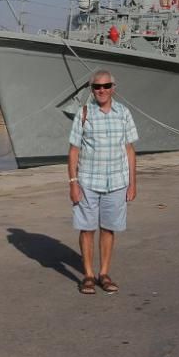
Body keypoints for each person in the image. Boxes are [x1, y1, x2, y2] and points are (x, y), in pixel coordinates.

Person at [67, 69, 138, 295]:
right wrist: (73, 183)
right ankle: (88, 275)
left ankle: (104, 273)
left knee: (109, 228)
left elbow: (130, 150)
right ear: (92, 89)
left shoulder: (124, 113)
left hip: (117, 181)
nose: (102, 90)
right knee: (87, 229)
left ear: (113, 88)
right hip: (88, 181)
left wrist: (133, 183)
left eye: (106, 86)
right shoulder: (84, 113)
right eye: (97, 87)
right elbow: (73, 151)